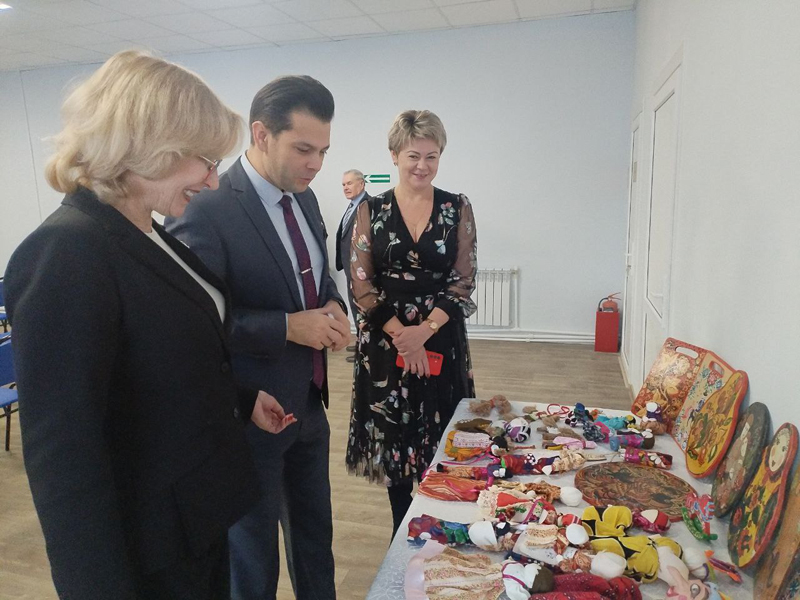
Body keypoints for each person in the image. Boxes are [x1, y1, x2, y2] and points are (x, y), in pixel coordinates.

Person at [2, 50, 296, 600]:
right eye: (205, 160)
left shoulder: (148, 231)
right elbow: (64, 457)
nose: (213, 181)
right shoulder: (66, 252)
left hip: (196, 516)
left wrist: (239, 398)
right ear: (147, 145)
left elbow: (152, 365)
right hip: (149, 547)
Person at [166, 75, 349, 600]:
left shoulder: (304, 199)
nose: (316, 164)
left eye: (323, 151)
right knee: (253, 562)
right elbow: (192, 321)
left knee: (315, 541)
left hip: (309, 403)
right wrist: (287, 326)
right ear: (262, 134)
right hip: (250, 414)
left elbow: (317, 277)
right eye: (304, 149)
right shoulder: (206, 207)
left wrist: (333, 306)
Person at [345, 110, 478, 536]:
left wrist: (424, 332)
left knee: (442, 438)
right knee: (395, 441)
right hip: (387, 345)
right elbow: (361, 282)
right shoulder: (370, 209)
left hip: (440, 337)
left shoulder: (457, 207)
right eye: (413, 156)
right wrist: (404, 337)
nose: (422, 165)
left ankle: (442, 528)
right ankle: (402, 532)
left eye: (431, 156)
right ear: (394, 155)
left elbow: (463, 279)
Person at [335, 169, 371, 362]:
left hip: (361, 271)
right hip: (351, 268)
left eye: (349, 183)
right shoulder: (352, 206)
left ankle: (366, 348)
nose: (345, 188)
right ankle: (360, 342)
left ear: (362, 184)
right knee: (356, 307)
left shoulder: (368, 205)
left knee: (363, 308)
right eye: (343, 184)